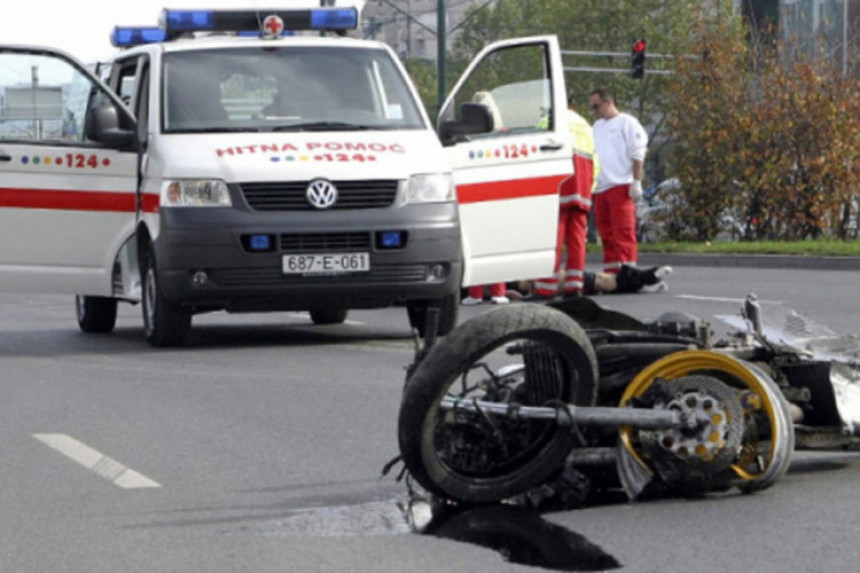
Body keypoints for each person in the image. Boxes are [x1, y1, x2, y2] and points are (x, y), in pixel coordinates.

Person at [533, 91, 596, 300]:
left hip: (560, 182)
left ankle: (545, 287)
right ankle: (574, 286)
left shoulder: (550, 121)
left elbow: (538, 152)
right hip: (582, 185)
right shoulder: (585, 125)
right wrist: (589, 189)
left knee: (554, 236)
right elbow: (596, 159)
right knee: (576, 237)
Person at [589, 88, 648, 274]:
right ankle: (611, 273)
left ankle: (628, 271)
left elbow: (637, 154)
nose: (594, 111)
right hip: (601, 187)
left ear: (608, 103)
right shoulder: (597, 127)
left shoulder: (627, 123)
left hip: (621, 185)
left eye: (596, 106)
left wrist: (637, 182)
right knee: (606, 234)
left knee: (623, 232)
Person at [462, 90, 509, 306]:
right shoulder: (504, 133)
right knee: (497, 241)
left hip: (475, 190)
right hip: (499, 190)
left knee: (476, 243)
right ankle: (499, 291)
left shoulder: (467, 135)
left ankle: (476, 292)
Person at [509, 264, 672, 300]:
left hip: (562, 280)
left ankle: (647, 279)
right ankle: (648, 278)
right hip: (550, 286)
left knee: (604, 280)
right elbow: (510, 294)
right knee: (603, 282)